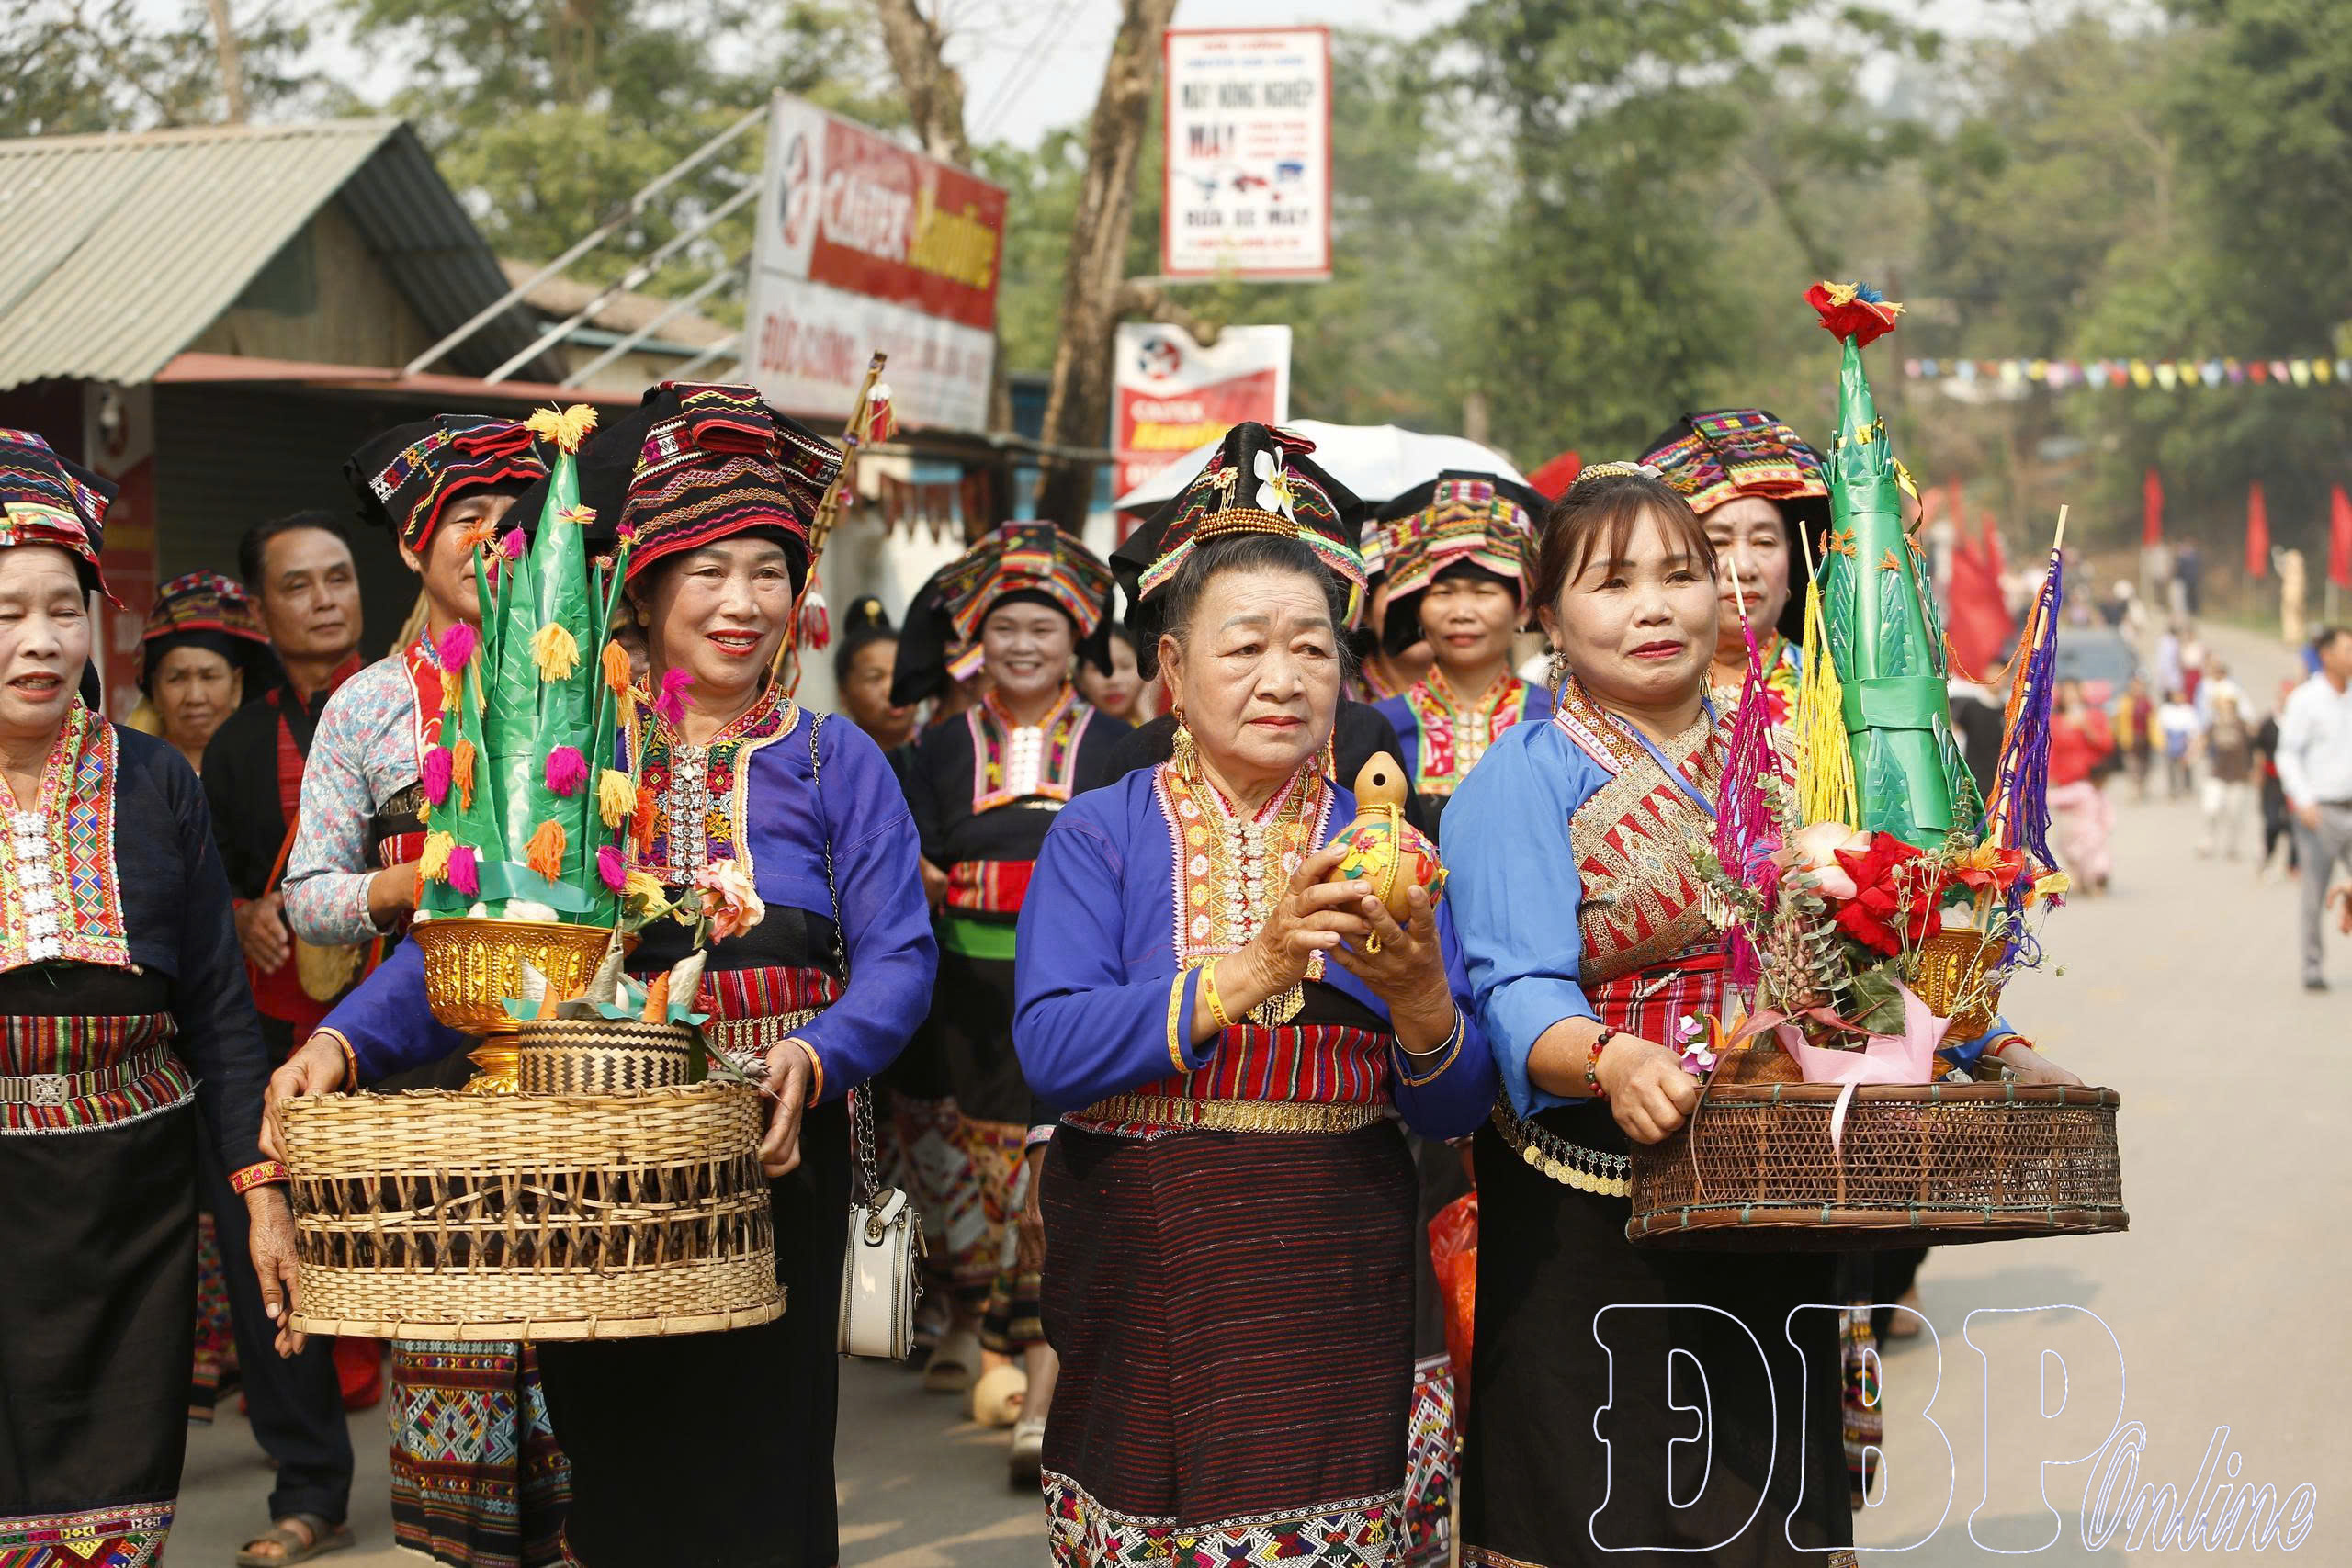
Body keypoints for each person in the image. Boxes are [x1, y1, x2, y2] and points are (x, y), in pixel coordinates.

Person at [267, 382, 937, 1568]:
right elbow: (489, 948)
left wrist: (818, 1051)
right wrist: (345, 1041)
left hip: (779, 1156)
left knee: (768, 1480)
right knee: (619, 1479)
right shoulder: (571, 763)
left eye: (768, 571)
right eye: (710, 571)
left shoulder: (838, 765)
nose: (742, 602)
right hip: (597, 1175)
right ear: (644, 589)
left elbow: (898, 961)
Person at [1442, 465, 2072, 1568]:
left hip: (1775, 1192)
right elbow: (1514, 991)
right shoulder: (1521, 778)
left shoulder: (1787, 753)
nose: (1654, 606)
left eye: (1681, 574)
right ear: (1545, 614)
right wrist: (1609, 1055)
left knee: (1764, 1521)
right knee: (1599, 1512)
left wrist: (1997, 1046)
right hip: (1592, 1208)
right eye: (1611, 583)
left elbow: (1883, 953)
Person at [1014, 423, 1494, 1566]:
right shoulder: (1102, 831)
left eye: (1312, 650)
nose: (1282, 679)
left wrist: (1425, 999)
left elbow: (1455, 1104)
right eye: (1244, 650)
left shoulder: (1395, 846)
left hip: (1338, 1276)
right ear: (1174, 674)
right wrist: (1257, 967)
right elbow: (1051, 1048)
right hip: (1149, 1274)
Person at [0, 429, 300, 1566]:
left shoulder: (158, 779)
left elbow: (221, 1019)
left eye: (64, 609)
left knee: (115, 1513)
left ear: (99, 620)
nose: (40, 641)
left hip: (134, 1204)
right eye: (6, 613)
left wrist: (258, 1195)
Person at [280, 414, 569, 1568]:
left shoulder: (587, 676)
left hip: (566, 1067)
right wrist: (407, 884)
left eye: (514, 522)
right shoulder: (363, 708)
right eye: (467, 522)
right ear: (412, 547)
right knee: (451, 1343)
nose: (493, 542)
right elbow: (306, 896)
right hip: (416, 1064)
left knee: (574, 1348)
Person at [888, 522, 1130, 1457]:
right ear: (974, 642)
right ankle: (998, 1335)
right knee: (989, 1171)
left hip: (1079, 987)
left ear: (1078, 638)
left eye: (1043, 627)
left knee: (1056, 1170)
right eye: (1003, 628)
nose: (1022, 644)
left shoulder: (1116, 745)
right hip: (970, 992)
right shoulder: (939, 750)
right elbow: (917, 858)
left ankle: (1042, 1360)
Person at [188, 521, 371, 1560]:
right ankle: (309, 1485)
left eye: (339, 579)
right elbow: (208, 874)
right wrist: (238, 913)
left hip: (395, 1020)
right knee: (275, 1249)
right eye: (296, 587)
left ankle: (490, 1484)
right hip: (269, 1028)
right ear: (261, 614)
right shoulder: (239, 746)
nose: (322, 600)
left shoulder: (412, 704)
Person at [1370, 473, 1553, 837]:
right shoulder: (1380, 727)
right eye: (1443, 594)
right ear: (1418, 612)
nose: (1462, 612)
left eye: (1483, 593)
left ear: (1522, 611)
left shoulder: (1556, 719)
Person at [1640, 407, 1830, 723]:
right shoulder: (1634, 692)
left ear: (1792, 558)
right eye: (1718, 543)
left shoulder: (1832, 690)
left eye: (1764, 543)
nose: (1744, 567)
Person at [2277, 625, 2352, 990]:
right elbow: (2287, 753)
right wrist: (2303, 800)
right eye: (2348, 649)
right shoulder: (2306, 699)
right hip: (2320, 811)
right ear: (2327, 656)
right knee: (2315, 892)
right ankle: (2312, 965)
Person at [2051, 679, 2119, 894]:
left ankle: (2099, 872)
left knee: (2093, 833)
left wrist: (2086, 728)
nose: (2071, 697)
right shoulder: (2056, 721)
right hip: (2066, 786)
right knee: (2067, 835)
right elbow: (2051, 751)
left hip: (2090, 784)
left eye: (2075, 693)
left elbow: (2107, 744)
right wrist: (2049, 779)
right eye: (2067, 693)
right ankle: (2078, 872)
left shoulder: (2094, 717)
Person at [833, 592, 917, 758]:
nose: (892, 688)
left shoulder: (943, 751)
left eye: (901, 673)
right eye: (875, 677)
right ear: (843, 694)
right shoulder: (831, 760)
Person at [2199, 688, 2256, 859]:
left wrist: (2254, 770)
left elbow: (2255, 748)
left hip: (2239, 775)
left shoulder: (2244, 726)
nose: (2224, 710)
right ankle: (2207, 841)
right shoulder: (2213, 726)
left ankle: (2233, 844)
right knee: (2211, 808)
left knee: (2235, 813)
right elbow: (2201, 742)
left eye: (2227, 706)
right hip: (2217, 773)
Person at [2256, 676, 2301, 880]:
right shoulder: (2268, 722)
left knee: (2295, 825)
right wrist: (2257, 774)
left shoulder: (2302, 722)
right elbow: (2258, 749)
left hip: (2296, 782)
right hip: (2273, 780)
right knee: (2272, 822)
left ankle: (2293, 863)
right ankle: (2269, 854)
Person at [1077, 618, 1148, 720]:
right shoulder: (1068, 733)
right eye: (1100, 669)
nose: (1113, 680)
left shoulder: (1174, 724)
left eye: (1125, 666)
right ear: (1079, 678)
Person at [2120, 674, 2157, 801]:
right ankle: (2135, 790)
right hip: (2131, 738)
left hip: (2145, 738)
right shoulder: (2126, 701)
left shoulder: (2147, 702)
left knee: (2145, 766)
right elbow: (2121, 720)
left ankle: (2142, 788)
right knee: (2132, 766)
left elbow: (2153, 720)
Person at [2157, 686, 2199, 798]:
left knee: (2186, 766)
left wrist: (2192, 743)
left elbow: (2193, 727)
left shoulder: (2188, 710)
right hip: (2170, 740)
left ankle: (2187, 787)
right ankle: (2173, 789)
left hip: (2184, 739)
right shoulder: (2166, 709)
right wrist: (2162, 741)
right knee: (2171, 767)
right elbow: (2161, 726)